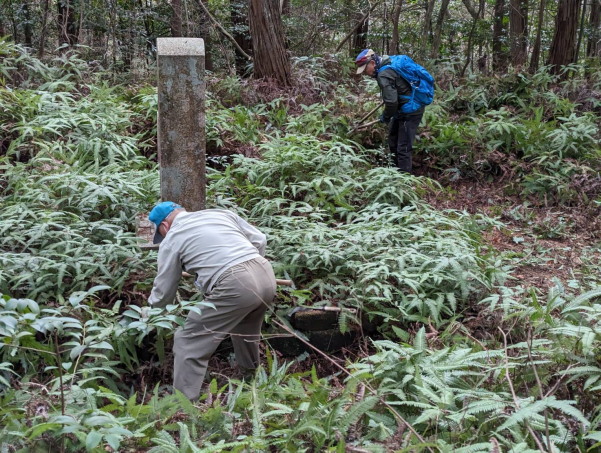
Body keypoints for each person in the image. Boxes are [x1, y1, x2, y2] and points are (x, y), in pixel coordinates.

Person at [146, 201, 277, 400]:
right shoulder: (219, 214)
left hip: (236, 283)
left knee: (187, 341)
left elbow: (164, 291)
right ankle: (251, 384)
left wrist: (150, 314)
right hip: (265, 273)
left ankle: (183, 406)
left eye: (160, 234)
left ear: (164, 226)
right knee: (246, 332)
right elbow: (259, 239)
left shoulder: (172, 237)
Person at [355, 48, 425, 174]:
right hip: (403, 107)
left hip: (411, 110)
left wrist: (386, 117)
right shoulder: (388, 61)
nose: (366, 73)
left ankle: (404, 181)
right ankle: (393, 173)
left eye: (365, 69)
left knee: (403, 147)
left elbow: (392, 103)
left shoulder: (383, 74)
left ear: (372, 63)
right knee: (393, 139)